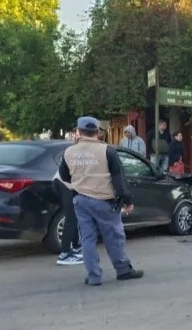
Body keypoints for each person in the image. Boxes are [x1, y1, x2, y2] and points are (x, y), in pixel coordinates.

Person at [59, 116, 144, 286]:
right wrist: (127, 199)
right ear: (98, 132)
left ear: (79, 131)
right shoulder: (107, 151)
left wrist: (80, 182)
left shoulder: (69, 152)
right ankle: (123, 270)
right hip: (104, 200)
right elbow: (119, 178)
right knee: (114, 237)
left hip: (80, 200)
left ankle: (93, 276)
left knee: (87, 239)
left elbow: (64, 175)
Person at [54, 127, 83, 265]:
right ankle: (64, 254)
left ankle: (76, 247)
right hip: (65, 185)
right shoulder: (79, 151)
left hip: (63, 184)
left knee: (74, 217)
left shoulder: (76, 149)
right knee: (71, 218)